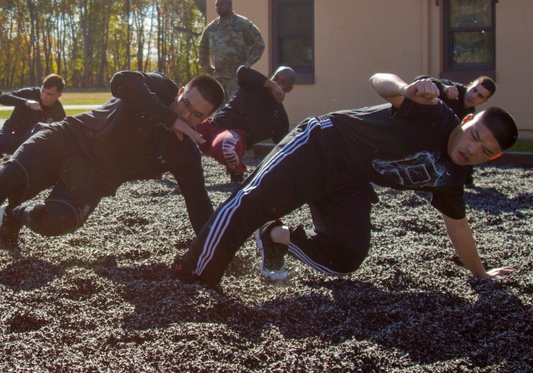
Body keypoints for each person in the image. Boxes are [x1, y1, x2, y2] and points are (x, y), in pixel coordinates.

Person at [173, 74, 519, 288]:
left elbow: (458, 227)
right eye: (474, 136)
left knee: (346, 256)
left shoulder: (452, 176)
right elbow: (379, 81)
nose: (472, 150)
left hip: (350, 181)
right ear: (468, 120)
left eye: (485, 151)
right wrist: (405, 88)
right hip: (323, 145)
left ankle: (275, 236)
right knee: (255, 201)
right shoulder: (434, 114)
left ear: (494, 157)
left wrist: (481, 274)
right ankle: (193, 271)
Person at [0, 71, 226, 251]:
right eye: (185, 104)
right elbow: (121, 81)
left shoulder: (185, 150)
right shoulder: (160, 88)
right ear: (181, 91)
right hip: (67, 140)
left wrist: (217, 252)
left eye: (196, 115)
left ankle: (14, 215)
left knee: (57, 223)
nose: (187, 116)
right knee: (10, 178)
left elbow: (199, 205)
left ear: (206, 119)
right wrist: (170, 118)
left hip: (94, 179)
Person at [195, 66, 294, 183]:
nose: (277, 84)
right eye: (275, 78)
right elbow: (242, 71)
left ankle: (237, 171)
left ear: (289, 88)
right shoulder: (253, 85)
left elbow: (284, 147)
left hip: (231, 138)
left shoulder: (279, 116)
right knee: (182, 125)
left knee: (228, 146)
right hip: (211, 126)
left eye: (282, 82)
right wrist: (273, 85)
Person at [197, 0, 265, 96]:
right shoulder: (212, 28)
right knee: (221, 110)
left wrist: (247, 64)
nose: (218, 7)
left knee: (238, 109)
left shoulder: (243, 24)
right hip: (219, 78)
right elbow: (202, 47)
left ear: (230, 5)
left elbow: (259, 44)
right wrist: (207, 67)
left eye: (221, 4)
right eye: (217, 5)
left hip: (237, 79)